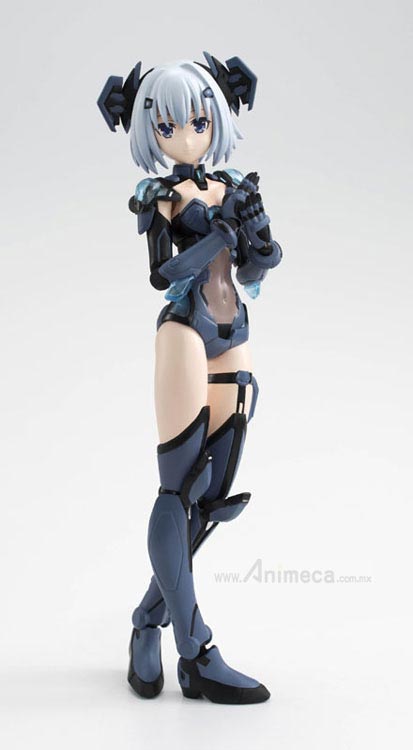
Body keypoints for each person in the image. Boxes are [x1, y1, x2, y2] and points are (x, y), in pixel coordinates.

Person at [97, 53, 283, 704]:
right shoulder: (160, 196)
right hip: (183, 328)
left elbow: (254, 270)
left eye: (199, 121)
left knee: (210, 495)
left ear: (218, 120)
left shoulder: (233, 185)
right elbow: (163, 274)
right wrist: (215, 237)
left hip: (233, 330)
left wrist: (257, 241)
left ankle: (146, 620)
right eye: (168, 125)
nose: (186, 135)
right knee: (176, 491)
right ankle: (196, 650)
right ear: (150, 131)